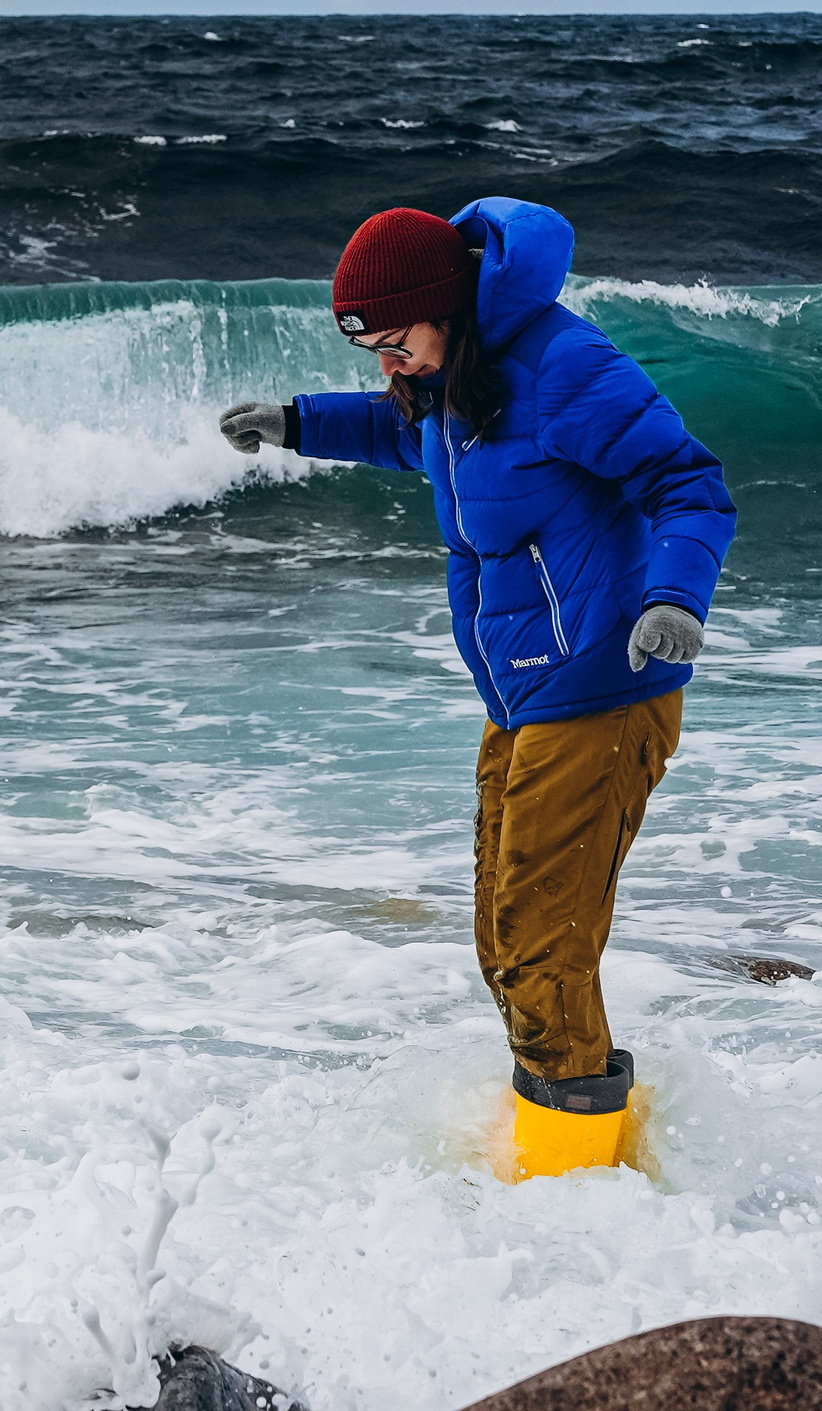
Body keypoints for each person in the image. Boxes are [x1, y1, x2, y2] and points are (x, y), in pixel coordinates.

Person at [218, 199, 735, 1181]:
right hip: (523, 696)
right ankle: (578, 1130)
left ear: (446, 308)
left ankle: (572, 1182)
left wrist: (673, 598)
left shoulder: (563, 371)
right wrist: (295, 423)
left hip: (603, 686)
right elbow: (404, 432)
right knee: (503, 938)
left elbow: (690, 486)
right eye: (365, 345)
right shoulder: (452, 377)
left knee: (540, 948)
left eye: (393, 338)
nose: (386, 362)